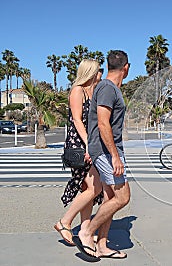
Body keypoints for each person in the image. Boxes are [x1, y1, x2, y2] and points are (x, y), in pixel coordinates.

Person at [72, 50, 130, 260]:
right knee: (123, 197)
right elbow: (103, 123)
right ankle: (86, 231)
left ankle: (103, 245)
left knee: (111, 197)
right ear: (126, 67)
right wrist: (114, 156)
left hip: (108, 150)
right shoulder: (107, 88)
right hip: (106, 152)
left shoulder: (109, 88)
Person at [54, 59, 103, 246]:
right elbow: (76, 120)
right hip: (79, 144)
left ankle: (85, 230)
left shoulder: (92, 91)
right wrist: (88, 145)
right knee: (94, 187)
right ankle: (64, 222)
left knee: (88, 189)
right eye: (98, 70)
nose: (100, 73)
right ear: (90, 72)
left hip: (89, 143)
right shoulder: (78, 90)